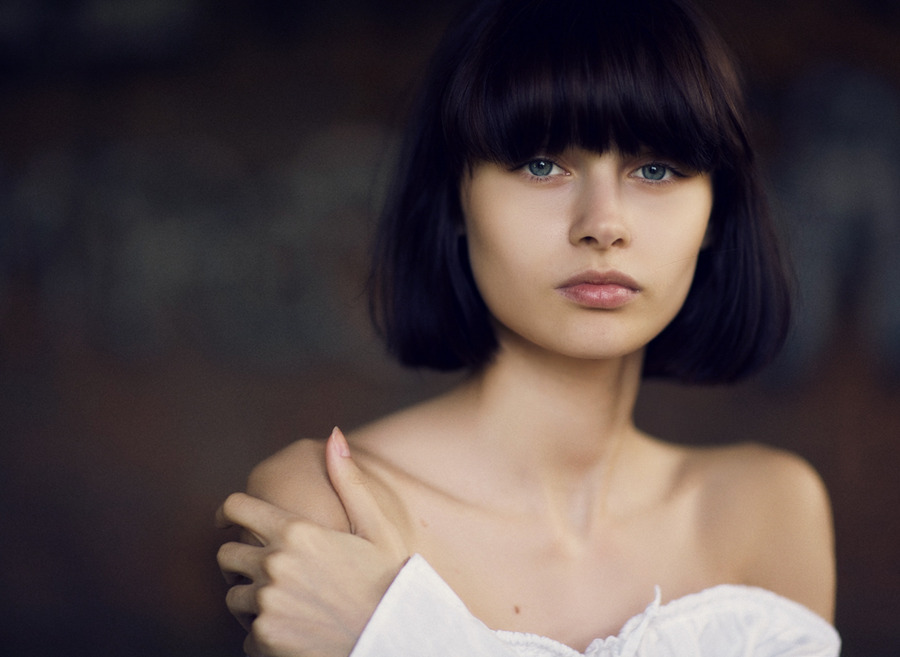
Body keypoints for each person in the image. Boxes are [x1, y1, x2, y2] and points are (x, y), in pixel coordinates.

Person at [216, 0, 840, 655]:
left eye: (656, 168)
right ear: (457, 195)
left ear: (716, 214)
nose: (603, 223)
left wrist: (397, 632)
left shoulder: (770, 507)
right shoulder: (332, 502)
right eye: (542, 164)